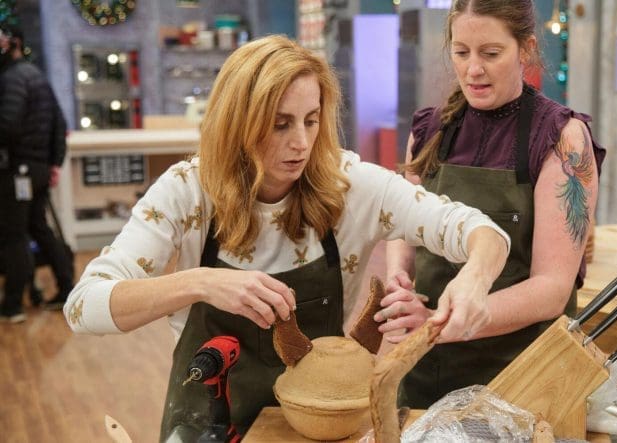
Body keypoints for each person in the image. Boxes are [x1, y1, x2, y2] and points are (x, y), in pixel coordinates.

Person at [63, 35, 510, 438]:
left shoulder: (350, 185)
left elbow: (479, 230)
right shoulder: (187, 191)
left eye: (311, 121)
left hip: (319, 425)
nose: (301, 143)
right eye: (280, 124)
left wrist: (474, 278)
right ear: (238, 123)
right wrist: (200, 282)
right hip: (208, 424)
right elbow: (83, 307)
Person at [381, 0, 607, 408]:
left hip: (521, 382)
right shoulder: (429, 130)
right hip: (425, 375)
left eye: (490, 53)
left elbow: (552, 289)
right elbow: (404, 224)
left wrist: (439, 324)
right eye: (461, 52)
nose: (473, 70)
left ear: (526, 49)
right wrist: (399, 276)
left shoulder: (562, 140)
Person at [0, 24, 73, 323]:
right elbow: (60, 123)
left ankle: (13, 305)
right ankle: (66, 289)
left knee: (14, 235)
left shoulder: (12, 78)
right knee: (39, 228)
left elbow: (8, 125)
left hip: (19, 170)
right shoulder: (37, 76)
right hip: (38, 169)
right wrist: (54, 163)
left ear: (12, 43)